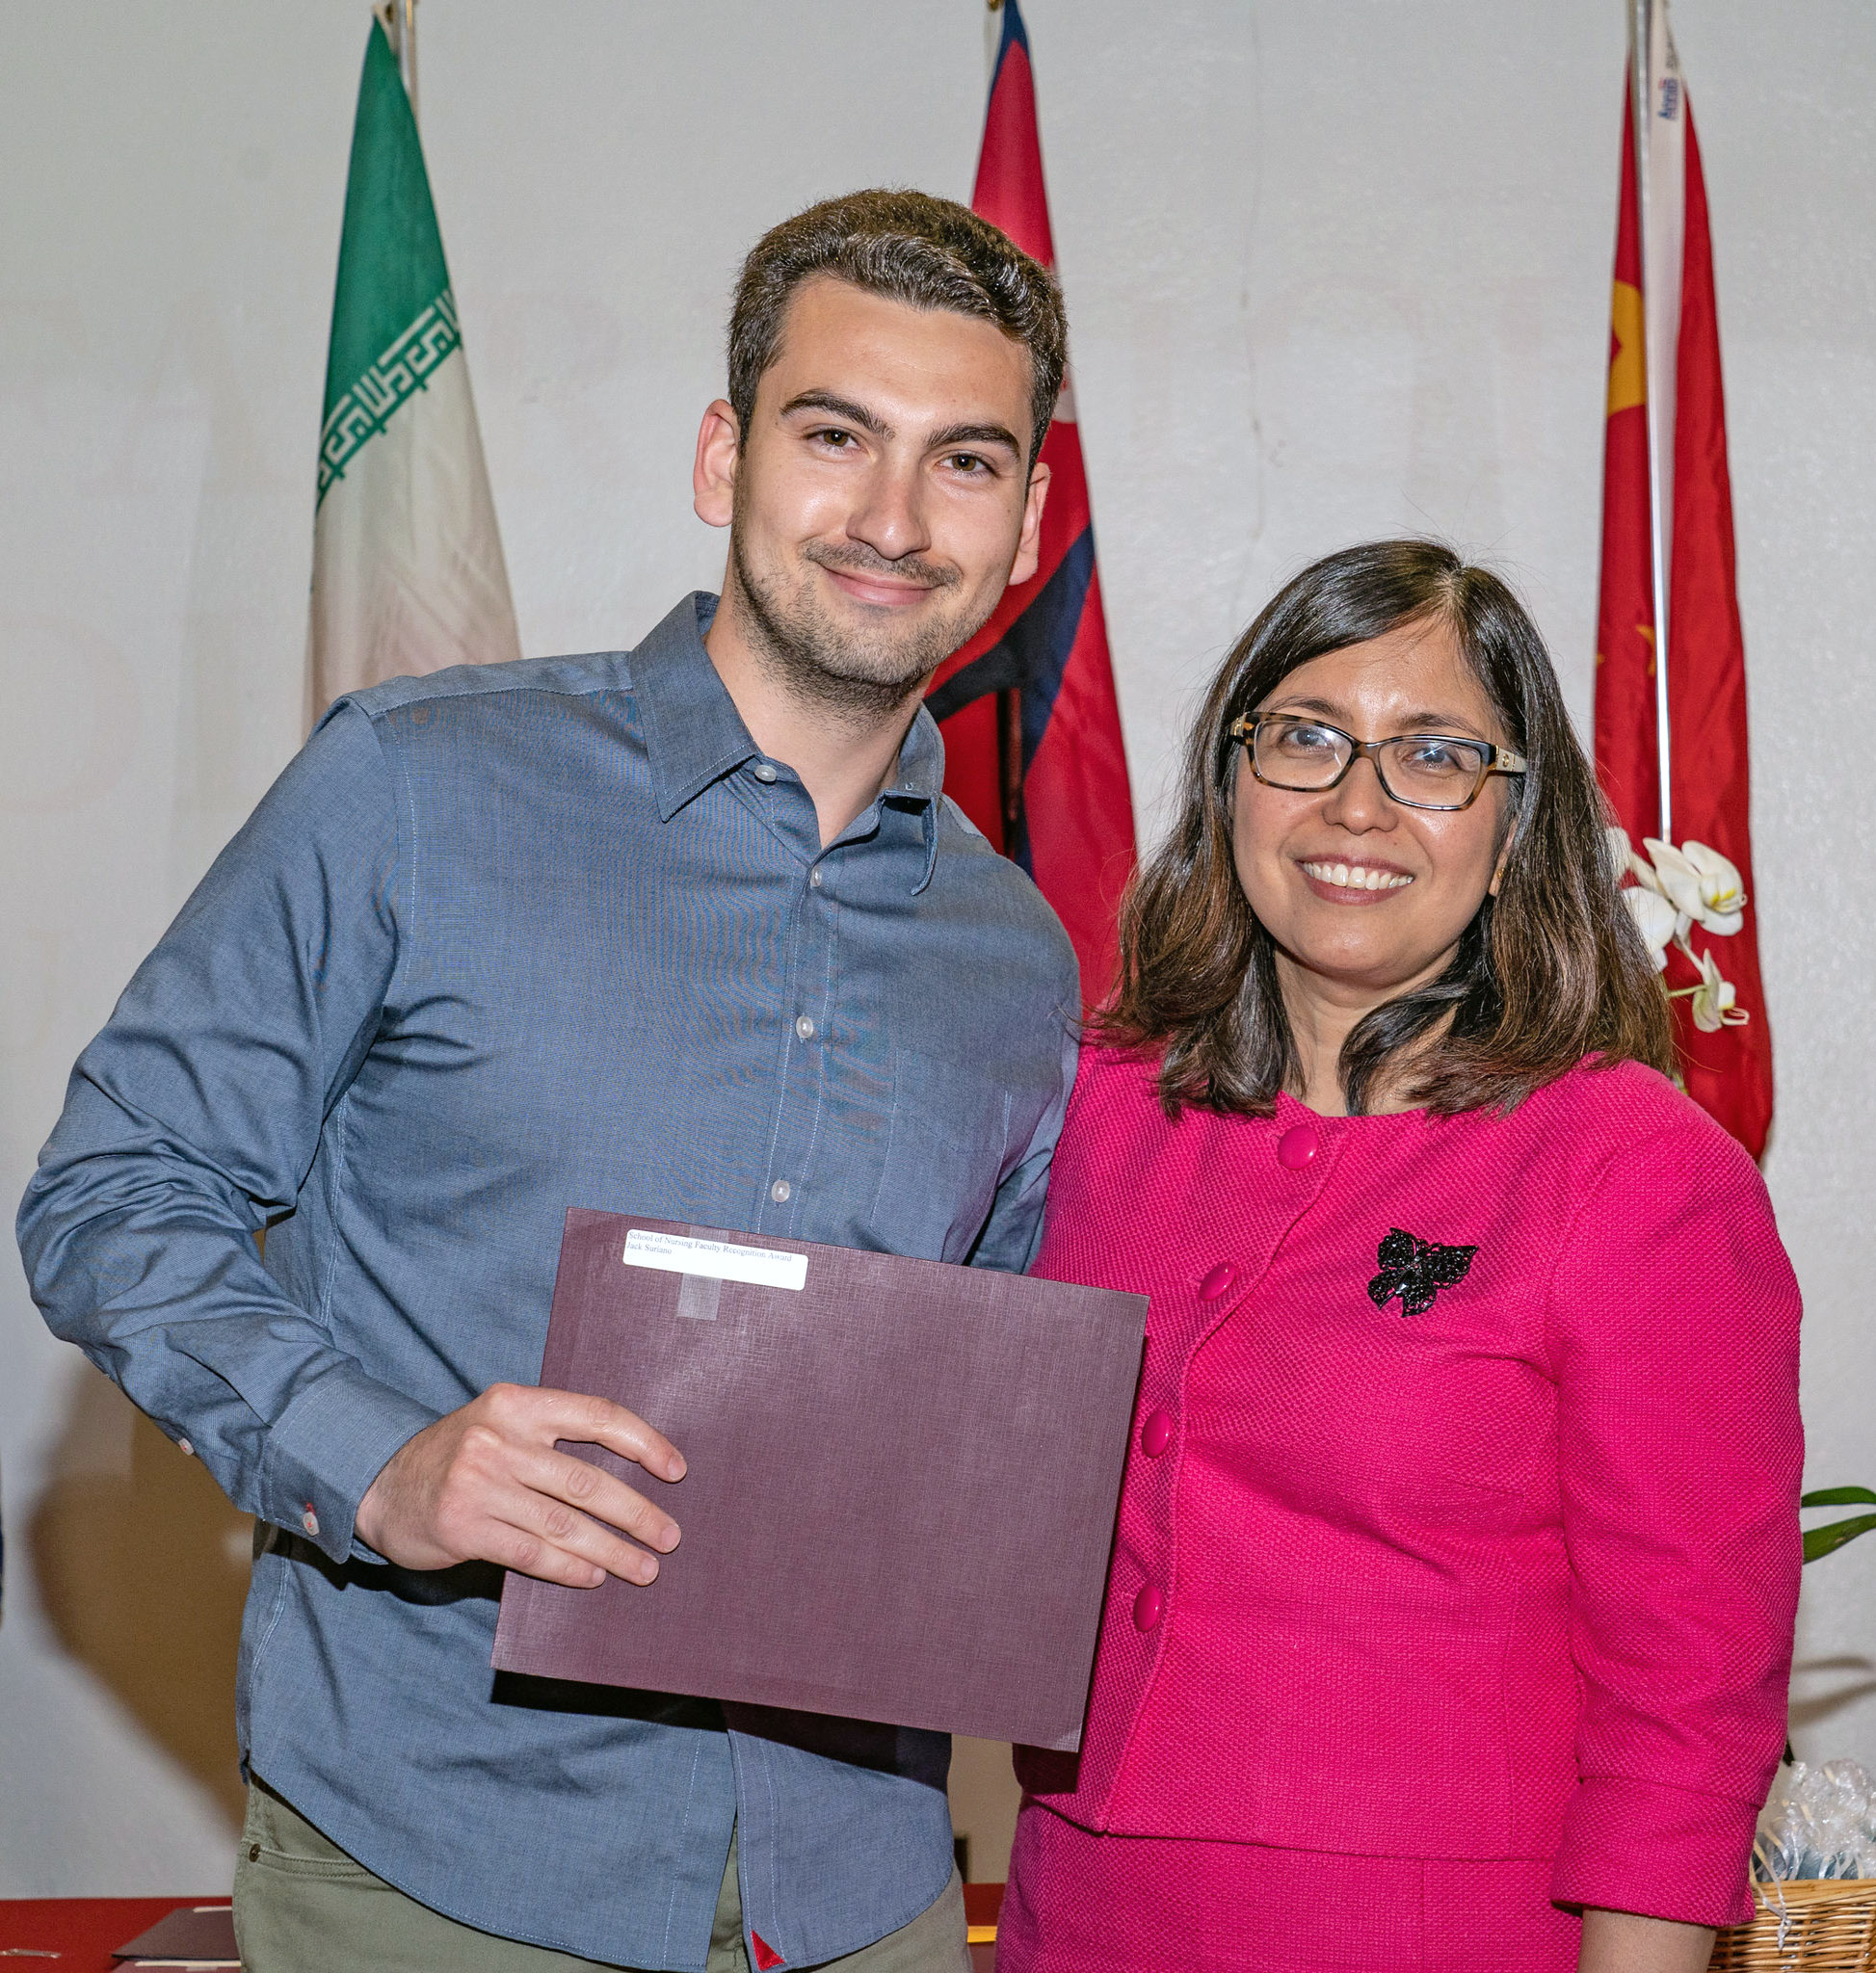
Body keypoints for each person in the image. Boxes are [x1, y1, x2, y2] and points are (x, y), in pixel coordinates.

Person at [18, 189, 1080, 1973]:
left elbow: (984, 1401)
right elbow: (113, 1191)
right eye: (837, 436)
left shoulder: (1020, 956)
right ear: (723, 453)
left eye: (965, 462)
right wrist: (377, 1464)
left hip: (862, 1887)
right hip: (439, 1866)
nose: (894, 519)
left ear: (1029, 521)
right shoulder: (416, 787)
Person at [997, 540, 1802, 1973]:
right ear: (1232, 778)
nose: (1356, 804)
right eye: (1305, 738)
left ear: (1516, 824)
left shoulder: (1636, 1172)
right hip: (1085, 1907)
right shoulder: (1101, 1102)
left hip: (1440, 1933)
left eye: (1434, 755)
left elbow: (1686, 1705)